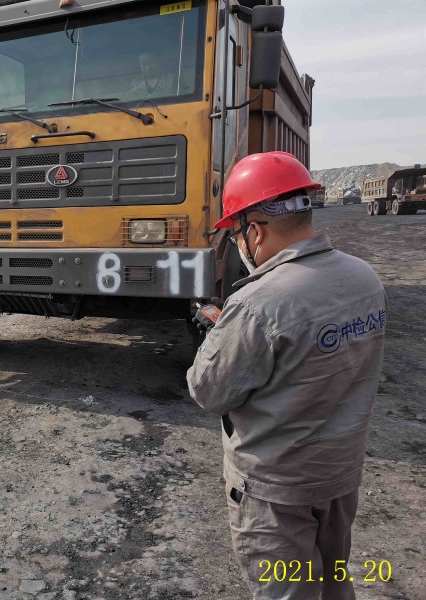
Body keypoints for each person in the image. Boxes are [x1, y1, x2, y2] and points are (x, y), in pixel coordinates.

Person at [187, 152, 387, 600]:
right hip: (339, 477)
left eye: (235, 234)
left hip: (277, 492)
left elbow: (209, 391)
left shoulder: (258, 303)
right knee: (332, 582)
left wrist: (219, 335)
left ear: (254, 231)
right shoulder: (364, 278)